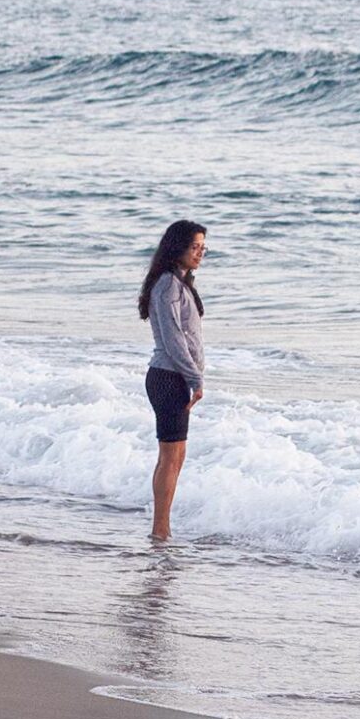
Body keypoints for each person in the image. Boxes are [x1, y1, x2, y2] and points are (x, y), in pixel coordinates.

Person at [139, 219, 207, 542]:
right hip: (168, 378)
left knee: (176, 455)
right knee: (170, 456)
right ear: (177, 247)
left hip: (176, 378)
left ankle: (162, 528)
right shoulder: (167, 285)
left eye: (203, 248)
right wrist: (195, 378)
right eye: (194, 247)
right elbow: (173, 340)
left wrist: (194, 377)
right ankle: (160, 530)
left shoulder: (180, 284)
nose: (200, 253)